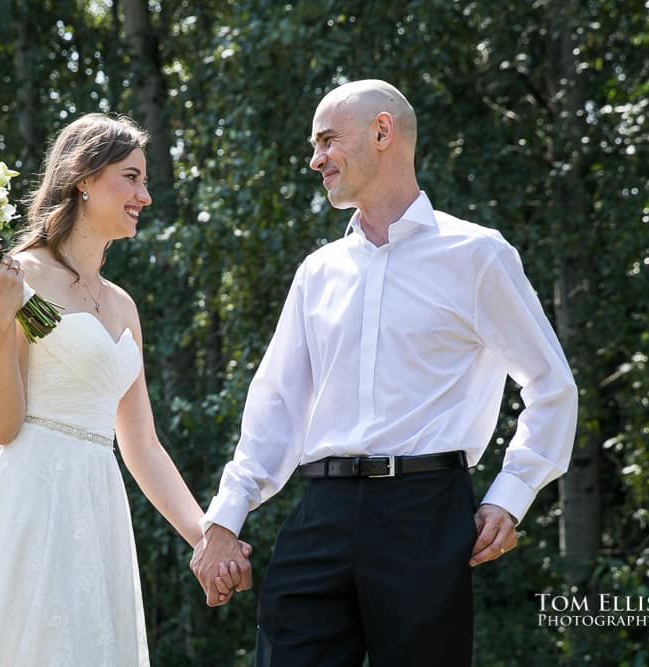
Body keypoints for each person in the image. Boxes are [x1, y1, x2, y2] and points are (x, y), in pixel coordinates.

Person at [190, 80, 579, 666]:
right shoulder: (317, 272)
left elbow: (551, 384)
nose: (315, 159)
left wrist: (511, 495)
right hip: (320, 512)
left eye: (326, 141)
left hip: (425, 515)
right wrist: (224, 517)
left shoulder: (477, 256)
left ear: (381, 132)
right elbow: (277, 405)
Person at [0, 113, 249, 666]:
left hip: (96, 504)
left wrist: (205, 535)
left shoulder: (123, 306)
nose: (144, 195)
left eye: (143, 181)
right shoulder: (14, 276)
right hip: (28, 497)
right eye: (131, 177)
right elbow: (1, 425)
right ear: (84, 179)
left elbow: (141, 444)